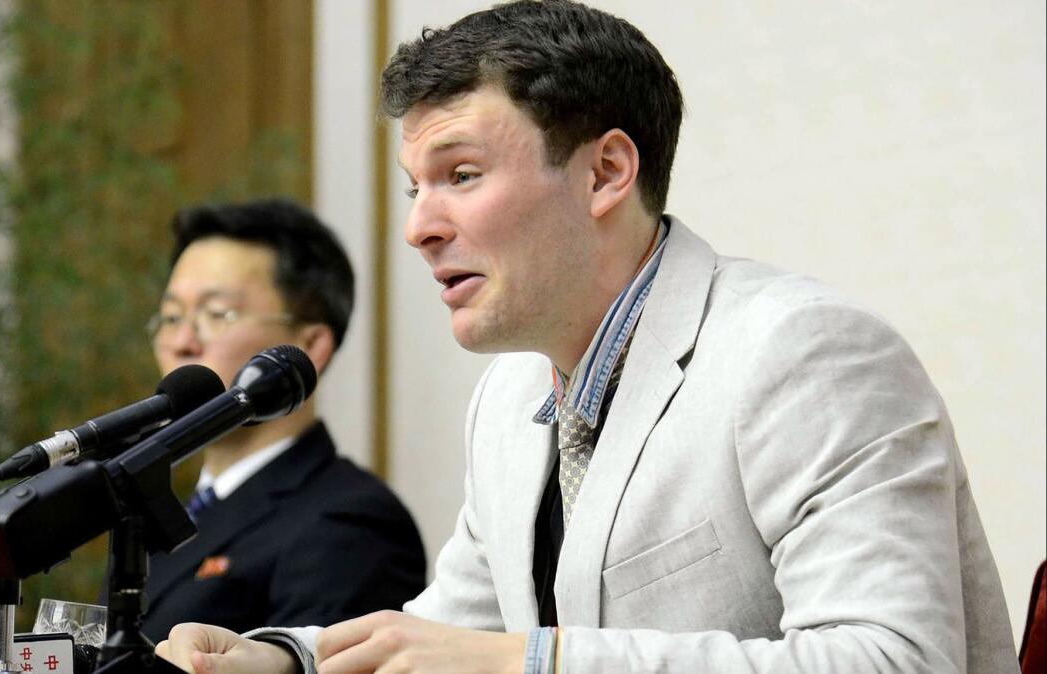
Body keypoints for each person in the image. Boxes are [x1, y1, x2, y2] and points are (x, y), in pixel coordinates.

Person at [156, 2, 1021, 672]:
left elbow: (896, 659)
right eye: (414, 187)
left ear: (607, 172)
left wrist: (534, 661)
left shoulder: (803, 353)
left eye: (460, 175)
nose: (420, 226)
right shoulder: (511, 397)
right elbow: (442, 635)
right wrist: (282, 657)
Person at [137, 199, 426, 641]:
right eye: (172, 316)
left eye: (217, 314)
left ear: (307, 346)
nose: (181, 342)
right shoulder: (161, 515)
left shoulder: (349, 523)